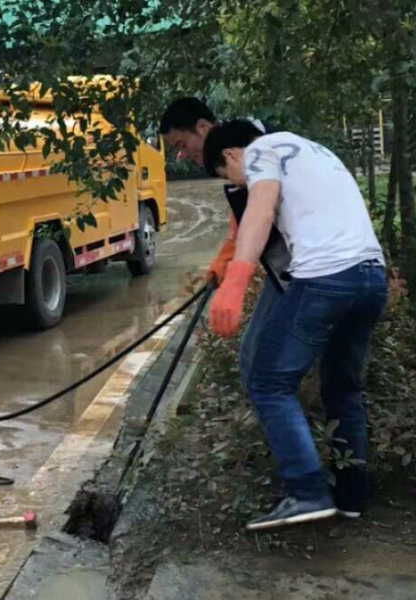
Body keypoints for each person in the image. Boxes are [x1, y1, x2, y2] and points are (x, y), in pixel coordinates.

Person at [203, 120, 388, 530]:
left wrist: (236, 280)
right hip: (372, 277)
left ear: (232, 155)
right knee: (343, 388)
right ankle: (351, 496)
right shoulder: (315, 151)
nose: (239, 184)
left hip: (325, 278)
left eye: (231, 176)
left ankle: (306, 492)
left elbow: (260, 210)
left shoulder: (261, 150)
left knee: (267, 381)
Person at [159, 99, 288, 388]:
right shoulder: (240, 150)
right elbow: (241, 225)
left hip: (306, 271)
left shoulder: (253, 148)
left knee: (258, 360)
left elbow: (259, 218)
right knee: (257, 355)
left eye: (181, 144)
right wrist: (222, 266)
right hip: (294, 272)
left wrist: (235, 280)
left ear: (203, 127)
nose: (181, 155)